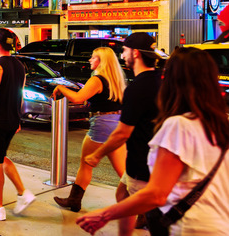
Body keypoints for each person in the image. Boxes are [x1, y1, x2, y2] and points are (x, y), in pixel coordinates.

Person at [77, 47, 229, 235]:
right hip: (219, 224)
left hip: (191, 227)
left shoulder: (179, 125)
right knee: (123, 191)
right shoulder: (219, 123)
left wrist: (104, 214)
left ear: (174, 79)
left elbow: (156, 194)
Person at [83, 32, 163, 235]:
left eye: (125, 51)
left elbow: (122, 133)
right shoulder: (159, 80)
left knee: (151, 212)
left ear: (135, 53)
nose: (123, 56)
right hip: (151, 158)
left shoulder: (137, 88)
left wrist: (96, 155)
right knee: (122, 194)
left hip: (142, 161)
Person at [52, 47, 127, 212]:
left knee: (86, 163)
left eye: (93, 58)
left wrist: (60, 88)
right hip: (116, 123)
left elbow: (78, 98)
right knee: (123, 172)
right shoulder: (115, 79)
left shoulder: (97, 80)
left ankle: (74, 199)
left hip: (101, 125)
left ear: (101, 61)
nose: (89, 60)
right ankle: (143, 209)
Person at [0, 28, 36, 221]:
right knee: (1, 157)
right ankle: (23, 192)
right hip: (11, 119)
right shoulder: (20, 65)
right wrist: (18, 118)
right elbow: (20, 94)